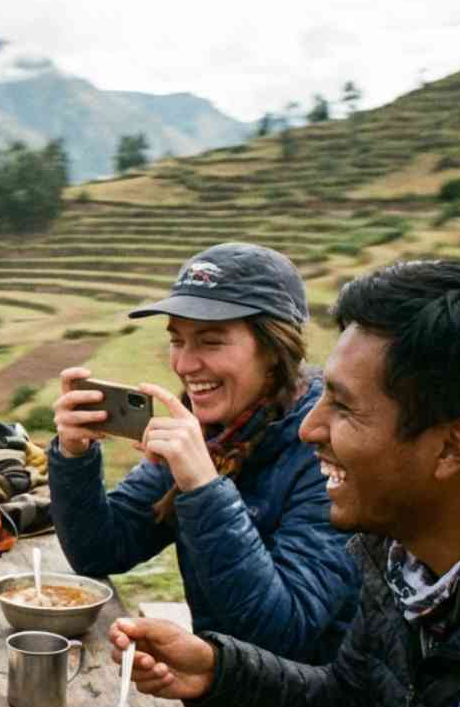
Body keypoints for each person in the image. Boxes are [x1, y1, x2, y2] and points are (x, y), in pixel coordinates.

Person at [111, 259, 460, 707]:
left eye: (344, 407)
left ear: (451, 447)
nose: (310, 428)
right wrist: (217, 670)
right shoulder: (403, 564)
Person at [49, 242, 359, 663]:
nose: (184, 364)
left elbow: (283, 635)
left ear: (274, 350)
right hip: (221, 684)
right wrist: (75, 457)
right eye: (177, 340)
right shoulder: (215, 434)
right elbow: (99, 550)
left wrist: (204, 488)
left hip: (310, 700)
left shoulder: (331, 451)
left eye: (210, 342)